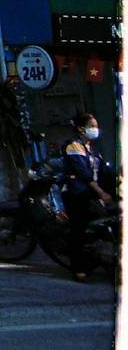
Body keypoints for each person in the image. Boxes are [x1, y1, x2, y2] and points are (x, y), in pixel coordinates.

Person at [59, 113, 115, 282]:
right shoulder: (73, 147)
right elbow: (83, 173)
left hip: (90, 194)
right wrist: (101, 192)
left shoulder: (91, 149)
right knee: (79, 230)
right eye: (92, 125)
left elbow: (103, 172)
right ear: (81, 129)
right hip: (76, 195)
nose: (95, 129)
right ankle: (78, 268)